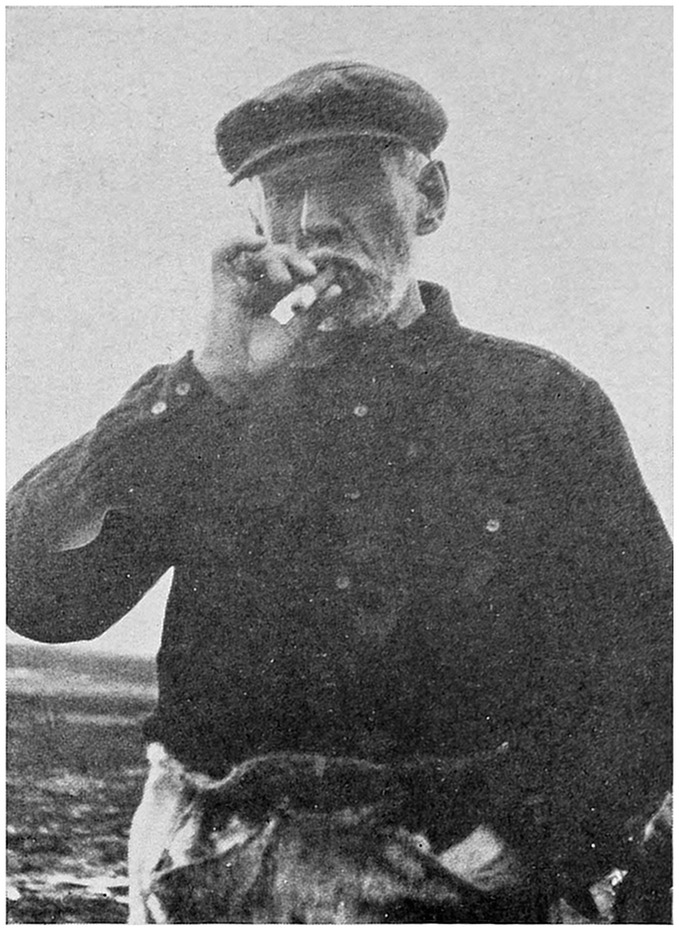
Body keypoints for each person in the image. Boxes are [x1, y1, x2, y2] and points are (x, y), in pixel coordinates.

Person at [7, 61, 672, 923]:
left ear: (428, 198)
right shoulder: (206, 401)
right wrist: (208, 382)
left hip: (461, 885)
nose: (315, 218)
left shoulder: (540, 404)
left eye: (352, 180)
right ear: (257, 225)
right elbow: (40, 598)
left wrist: (526, 847)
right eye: (285, 193)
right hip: (215, 878)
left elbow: (645, 664)